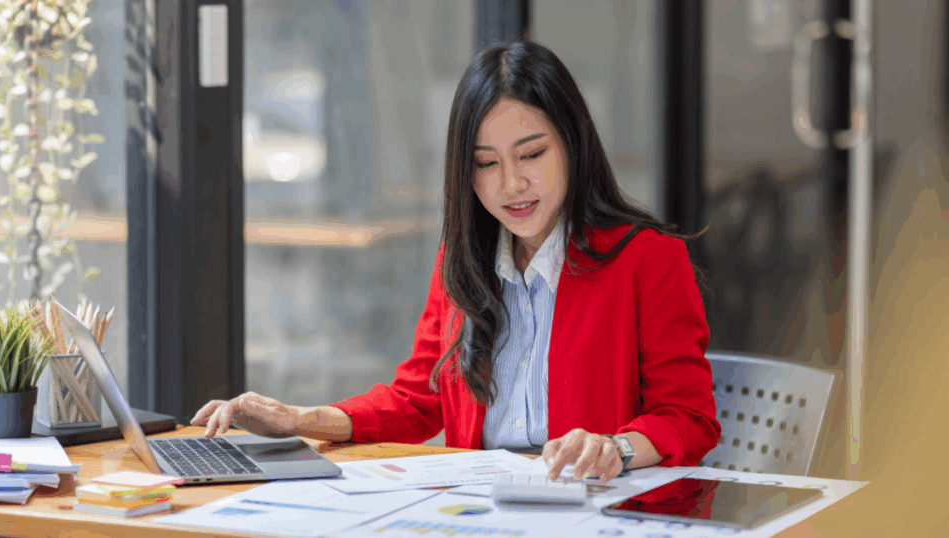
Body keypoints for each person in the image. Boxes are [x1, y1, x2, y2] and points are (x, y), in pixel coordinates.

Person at [192, 41, 719, 483]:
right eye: (486, 164)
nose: (511, 184)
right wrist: (299, 419)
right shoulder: (462, 262)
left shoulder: (646, 260)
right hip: (478, 508)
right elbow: (419, 400)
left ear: (573, 146)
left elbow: (689, 419)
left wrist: (616, 447)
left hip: (590, 511)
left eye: (532, 155)